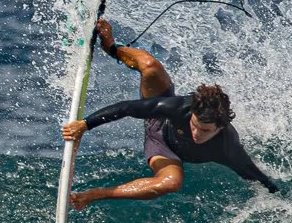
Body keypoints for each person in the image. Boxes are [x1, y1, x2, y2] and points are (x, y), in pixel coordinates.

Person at [61, 19, 278, 209]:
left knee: (171, 183)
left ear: (220, 128)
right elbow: (127, 108)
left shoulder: (228, 147)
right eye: (194, 124)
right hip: (159, 125)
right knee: (150, 66)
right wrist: (84, 125)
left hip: (164, 149)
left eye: (204, 131)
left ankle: (98, 194)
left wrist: (279, 201)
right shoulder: (180, 108)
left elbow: (259, 179)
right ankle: (111, 48)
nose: (196, 133)